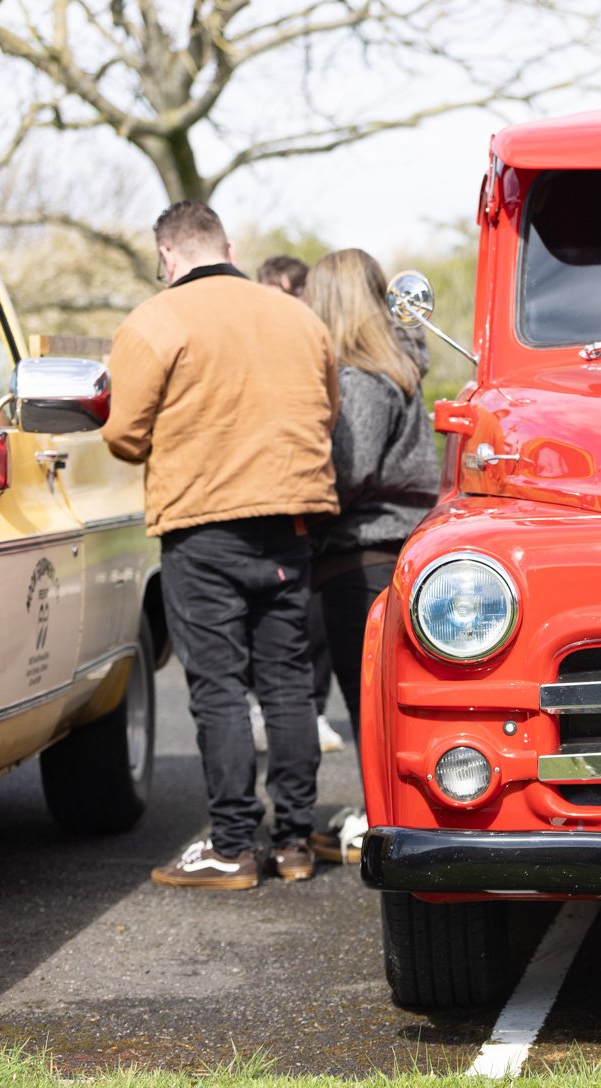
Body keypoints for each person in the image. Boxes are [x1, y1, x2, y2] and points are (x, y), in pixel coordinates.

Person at [105, 201, 340, 889]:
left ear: (168, 256)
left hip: (204, 526)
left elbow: (122, 431)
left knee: (218, 690)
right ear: (228, 246)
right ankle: (295, 839)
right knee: (289, 682)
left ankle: (233, 844)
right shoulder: (299, 317)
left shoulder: (158, 319)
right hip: (290, 524)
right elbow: (327, 408)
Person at [302, 248, 440, 863]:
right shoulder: (404, 368)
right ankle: (382, 810)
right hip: (399, 549)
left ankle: (376, 817)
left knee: (366, 706)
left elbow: (348, 470)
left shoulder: (360, 380)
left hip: (358, 558)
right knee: (387, 702)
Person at [253, 253, 346, 756]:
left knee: (304, 625)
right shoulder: (291, 336)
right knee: (290, 626)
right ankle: (285, 711)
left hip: (293, 499)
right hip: (281, 495)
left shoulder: (309, 338)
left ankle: (305, 711)